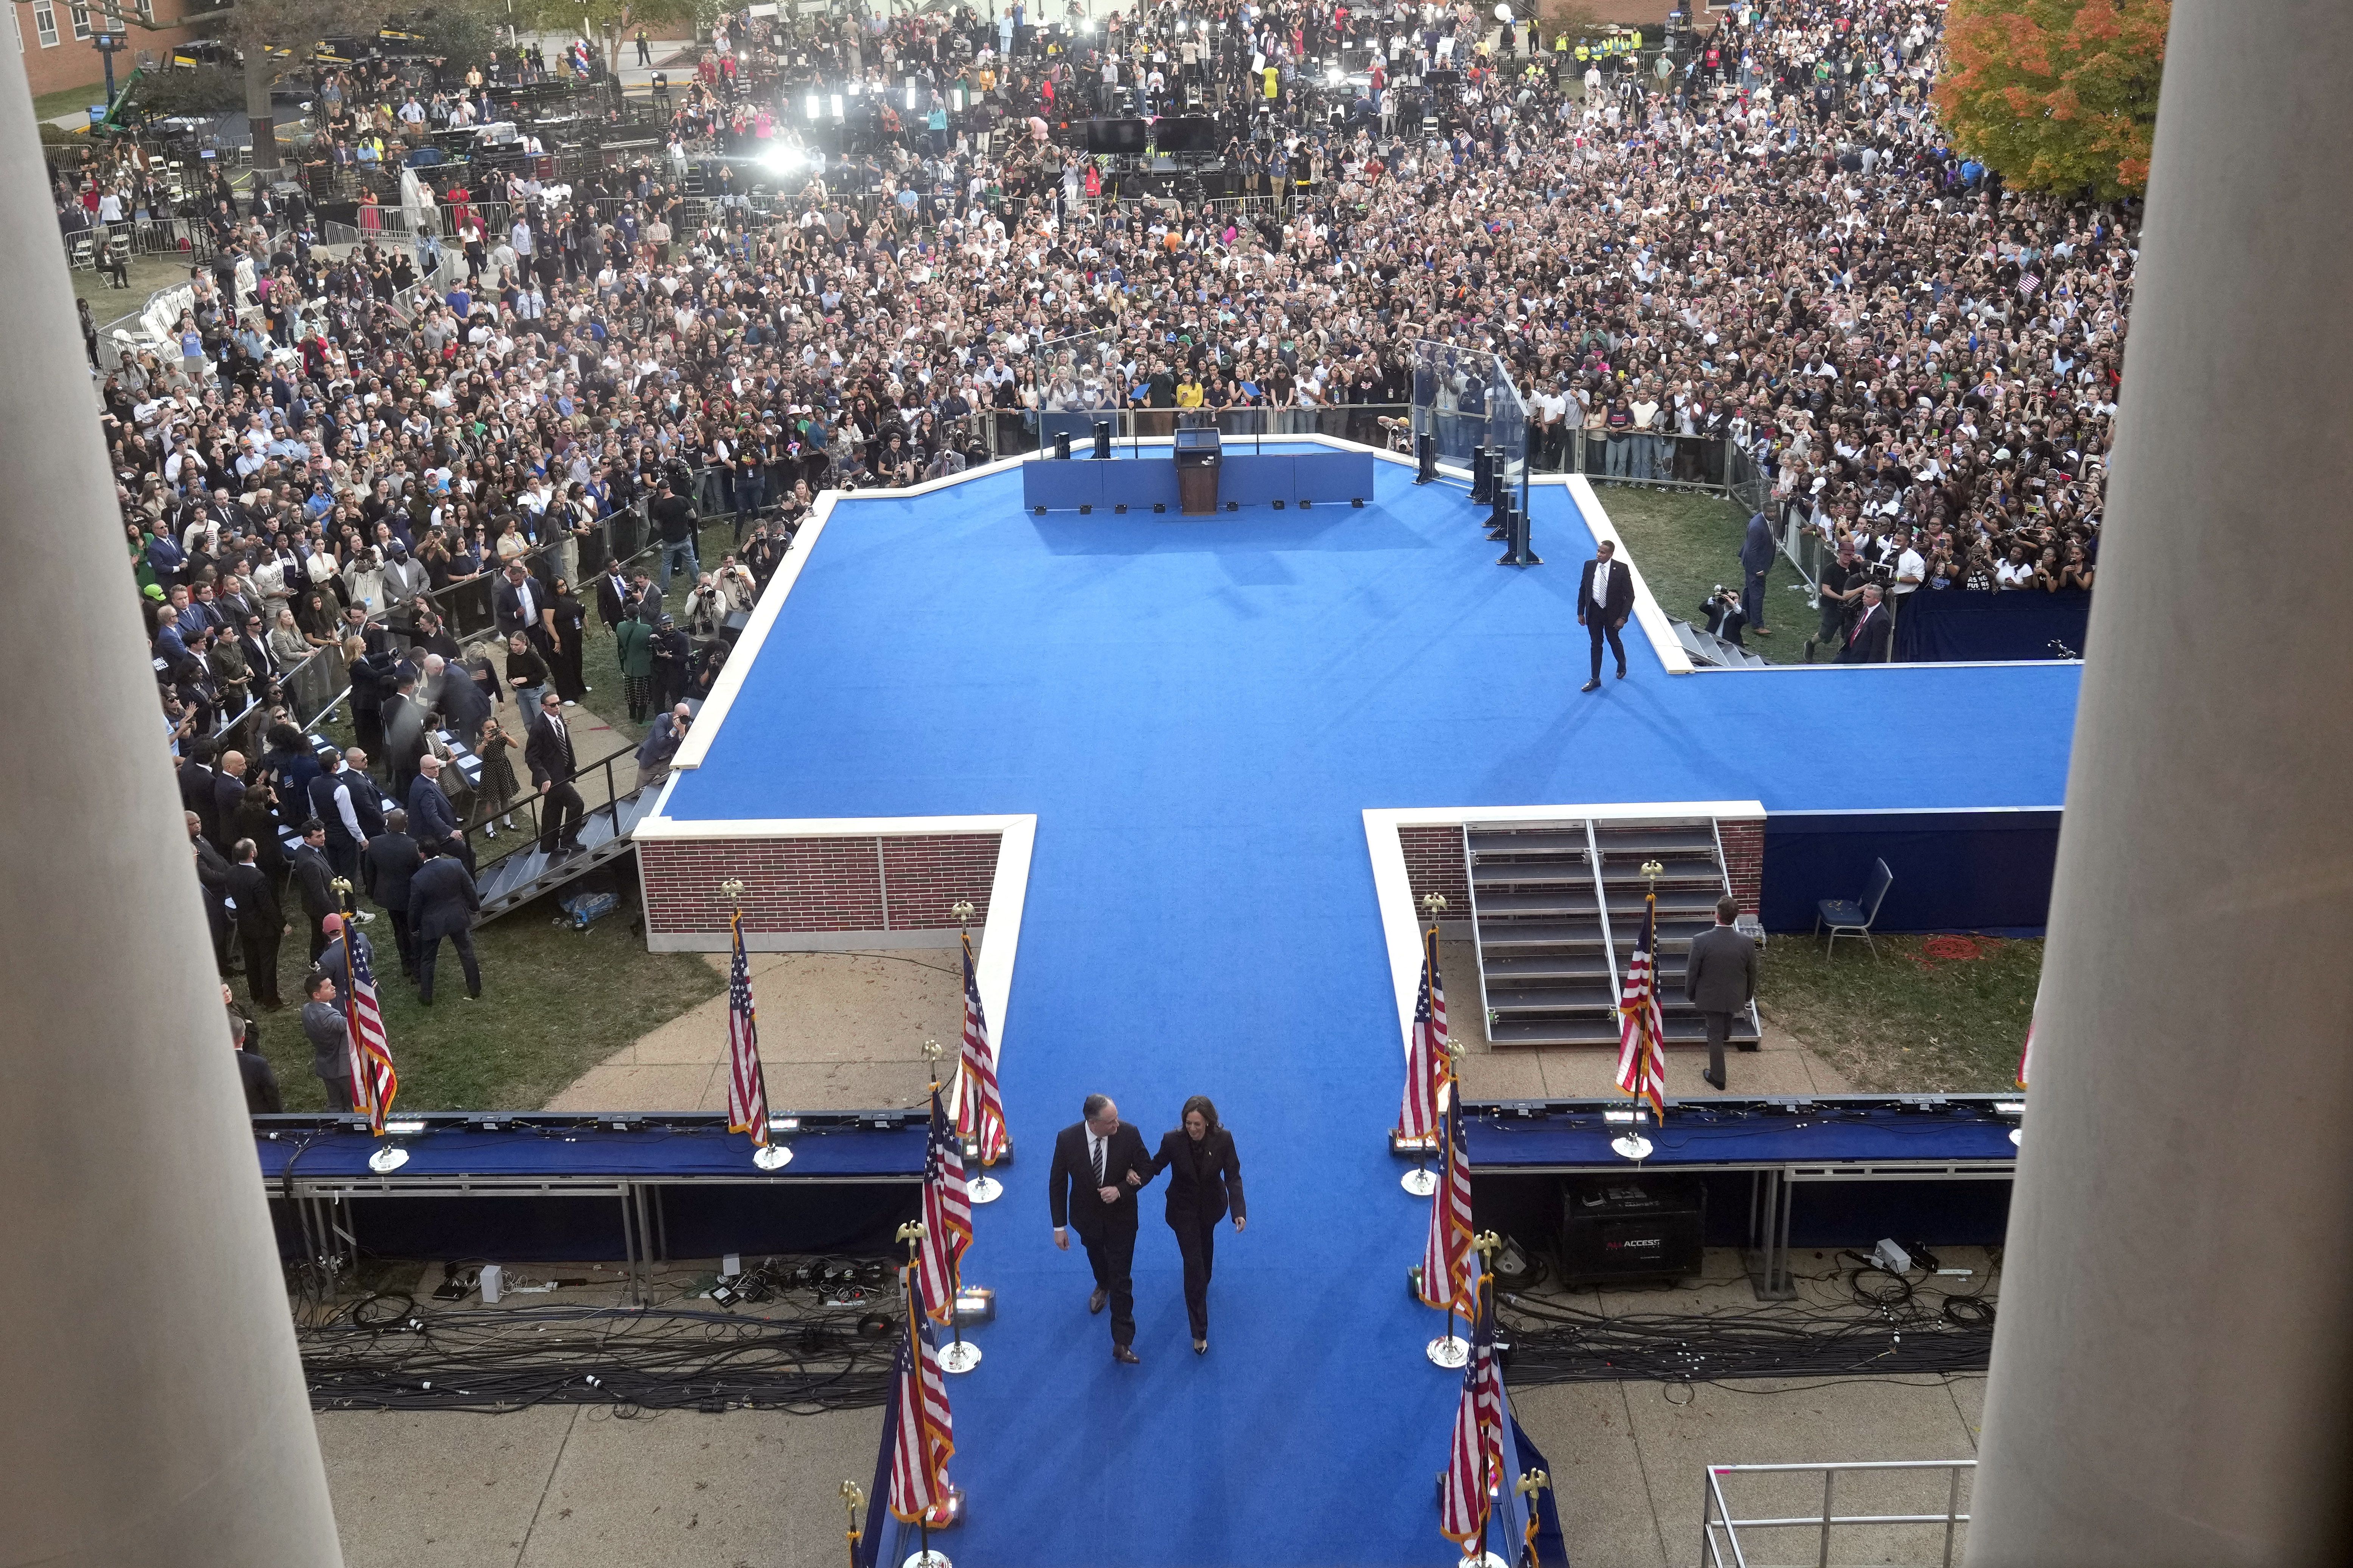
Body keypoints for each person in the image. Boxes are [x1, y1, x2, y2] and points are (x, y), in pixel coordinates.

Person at [1048, 1093, 1155, 1363]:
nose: (1117, 1125)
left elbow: (1147, 1168)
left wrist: (1122, 1189)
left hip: (1122, 1220)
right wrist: (1059, 1227)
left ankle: (1122, 1341)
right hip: (1087, 1219)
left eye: (1117, 1119)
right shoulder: (1067, 1139)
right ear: (1092, 1123)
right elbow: (1058, 1184)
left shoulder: (1129, 1134)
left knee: (1122, 1278)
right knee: (1097, 1257)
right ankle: (1101, 1284)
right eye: (1111, 1122)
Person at [1145, 1095, 1246, 1355]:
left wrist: (1239, 1211)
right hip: (1182, 1211)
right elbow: (1156, 1166)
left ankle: (1204, 1279)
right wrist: (1131, 1180)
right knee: (1194, 1268)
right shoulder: (1172, 1140)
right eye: (1188, 1123)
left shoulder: (1223, 1140)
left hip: (1211, 1208)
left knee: (1206, 1244)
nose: (1192, 1129)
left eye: (1197, 1125)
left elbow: (1233, 1175)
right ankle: (1199, 1332)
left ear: (1209, 1124)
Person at [1685, 896, 1759, 1091]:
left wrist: (1690, 992)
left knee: (1714, 1035)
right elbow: (1752, 972)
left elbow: (1693, 971)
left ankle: (1718, 1078)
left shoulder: (1701, 941)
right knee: (1725, 1024)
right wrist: (1748, 994)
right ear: (1734, 918)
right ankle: (1726, 1035)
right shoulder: (1747, 942)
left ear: (1717, 915)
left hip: (1711, 997)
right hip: (1734, 996)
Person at [407, 840, 482, 1004]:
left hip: (432, 924)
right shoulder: (455, 865)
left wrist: (413, 928)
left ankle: (426, 996)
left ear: (422, 854)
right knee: (466, 953)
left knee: (428, 960)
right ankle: (475, 989)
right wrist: (475, 908)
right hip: (457, 917)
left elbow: (414, 908)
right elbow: (470, 888)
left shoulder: (418, 879)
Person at [224, 837, 287, 1010]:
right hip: (264, 927)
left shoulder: (230, 872)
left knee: (252, 962)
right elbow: (267, 905)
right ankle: (271, 1001)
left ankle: (257, 996)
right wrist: (283, 924)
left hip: (245, 924)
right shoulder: (257, 877)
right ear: (252, 853)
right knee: (268, 963)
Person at [362, 807, 423, 980]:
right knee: (414, 930)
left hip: (388, 896)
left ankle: (406, 964)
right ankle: (417, 964)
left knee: (399, 930)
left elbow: (369, 872)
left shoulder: (375, 843)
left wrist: (372, 892)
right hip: (410, 896)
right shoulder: (413, 845)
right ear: (406, 825)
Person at [525, 690, 585, 855]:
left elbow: (563, 744)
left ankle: (549, 846)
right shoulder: (538, 728)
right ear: (544, 707)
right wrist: (544, 777)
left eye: (558, 703)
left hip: (562, 773)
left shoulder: (558, 718)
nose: (557, 707)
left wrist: (570, 766)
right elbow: (531, 757)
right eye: (553, 705)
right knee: (576, 804)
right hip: (552, 778)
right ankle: (568, 840)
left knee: (553, 809)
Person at [1576, 537, 1635, 692]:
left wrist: (1623, 617)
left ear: (1611, 554)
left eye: (1603, 552)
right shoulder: (1589, 566)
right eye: (1598, 551)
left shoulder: (1622, 569)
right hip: (1594, 612)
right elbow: (1584, 589)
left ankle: (1622, 664)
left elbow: (1630, 596)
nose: (1599, 555)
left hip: (1613, 614)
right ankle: (1595, 678)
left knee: (1613, 640)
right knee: (1596, 644)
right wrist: (1581, 612)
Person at [301, 969, 353, 1111]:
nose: (334, 987)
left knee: (335, 1105)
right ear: (317, 995)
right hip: (343, 1069)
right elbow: (352, 1024)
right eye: (328, 987)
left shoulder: (307, 1010)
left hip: (326, 1066)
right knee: (352, 1107)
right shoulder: (329, 1018)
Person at [288, 818, 339, 963]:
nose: (323, 839)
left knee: (317, 936)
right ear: (307, 839)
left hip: (314, 906)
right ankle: (324, 964)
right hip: (320, 908)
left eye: (323, 834)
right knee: (328, 939)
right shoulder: (309, 862)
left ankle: (315, 960)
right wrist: (334, 914)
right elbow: (319, 893)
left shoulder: (306, 850)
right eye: (319, 836)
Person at [232, 992, 283, 1113]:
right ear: (243, 1038)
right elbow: (272, 1095)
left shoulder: (212, 1065)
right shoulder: (258, 1064)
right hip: (260, 1118)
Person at [1739, 509, 1776, 636]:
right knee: (1757, 594)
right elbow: (1751, 550)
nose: (1774, 514)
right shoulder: (1757, 526)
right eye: (1771, 512)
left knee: (1750, 590)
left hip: (1755, 563)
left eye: (1775, 511)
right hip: (1756, 566)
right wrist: (1758, 569)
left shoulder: (1763, 521)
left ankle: (1744, 615)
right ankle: (1758, 625)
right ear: (1764, 511)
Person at [1838, 580, 1893, 663]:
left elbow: (1878, 648)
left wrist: (1869, 668)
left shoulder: (1882, 619)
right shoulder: (1867, 607)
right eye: (1864, 595)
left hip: (1862, 657)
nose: (1864, 598)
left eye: (1868, 597)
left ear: (1877, 600)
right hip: (1850, 650)